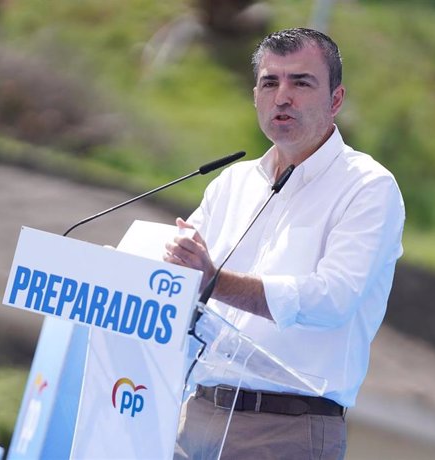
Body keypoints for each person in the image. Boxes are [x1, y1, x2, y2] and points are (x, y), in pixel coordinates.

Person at [164, 27, 405, 459]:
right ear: (255, 95)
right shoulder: (232, 182)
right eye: (270, 82)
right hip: (196, 415)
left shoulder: (368, 187)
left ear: (336, 100)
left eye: (301, 82)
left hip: (287, 429)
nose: (282, 96)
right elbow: (185, 277)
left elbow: (332, 299)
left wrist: (214, 281)